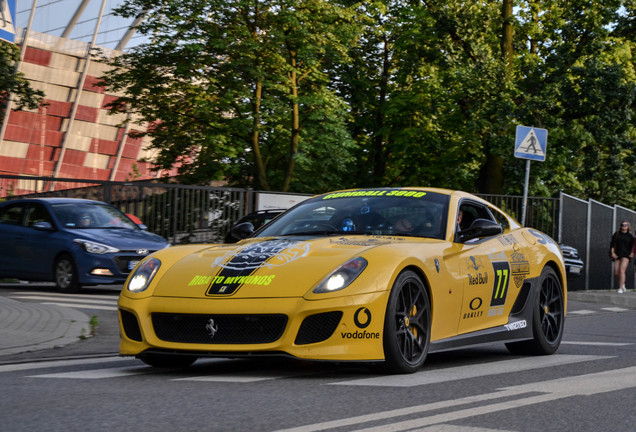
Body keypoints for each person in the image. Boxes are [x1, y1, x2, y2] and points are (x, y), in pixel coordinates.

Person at [609, 221, 635, 293]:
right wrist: (613, 253)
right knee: (616, 273)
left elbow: (633, 246)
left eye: (625, 225)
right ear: (620, 226)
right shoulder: (616, 234)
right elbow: (612, 244)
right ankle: (622, 283)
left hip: (626, 255)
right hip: (617, 254)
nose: (624, 226)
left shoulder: (630, 236)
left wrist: (632, 253)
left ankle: (620, 288)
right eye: (622, 225)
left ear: (628, 226)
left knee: (622, 270)